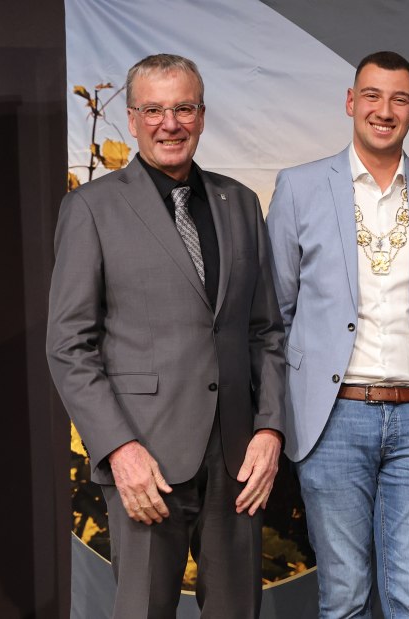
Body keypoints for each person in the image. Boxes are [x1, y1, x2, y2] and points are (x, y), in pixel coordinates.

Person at [47, 53, 285, 618]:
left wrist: (270, 428)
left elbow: (266, 332)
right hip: (144, 459)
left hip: (237, 461)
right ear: (132, 119)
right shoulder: (90, 209)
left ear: (202, 115)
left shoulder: (241, 203)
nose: (169, 123)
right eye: (153, 110)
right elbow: (68, 346)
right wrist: (119, 450)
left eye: (182, 108)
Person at [266, 51, 409, 618]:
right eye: (373, 96)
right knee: (344, 597)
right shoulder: (300, 187)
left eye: (399, 99)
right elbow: (276, 314)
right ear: (351, 102)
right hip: (334, 416)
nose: (385, 110)